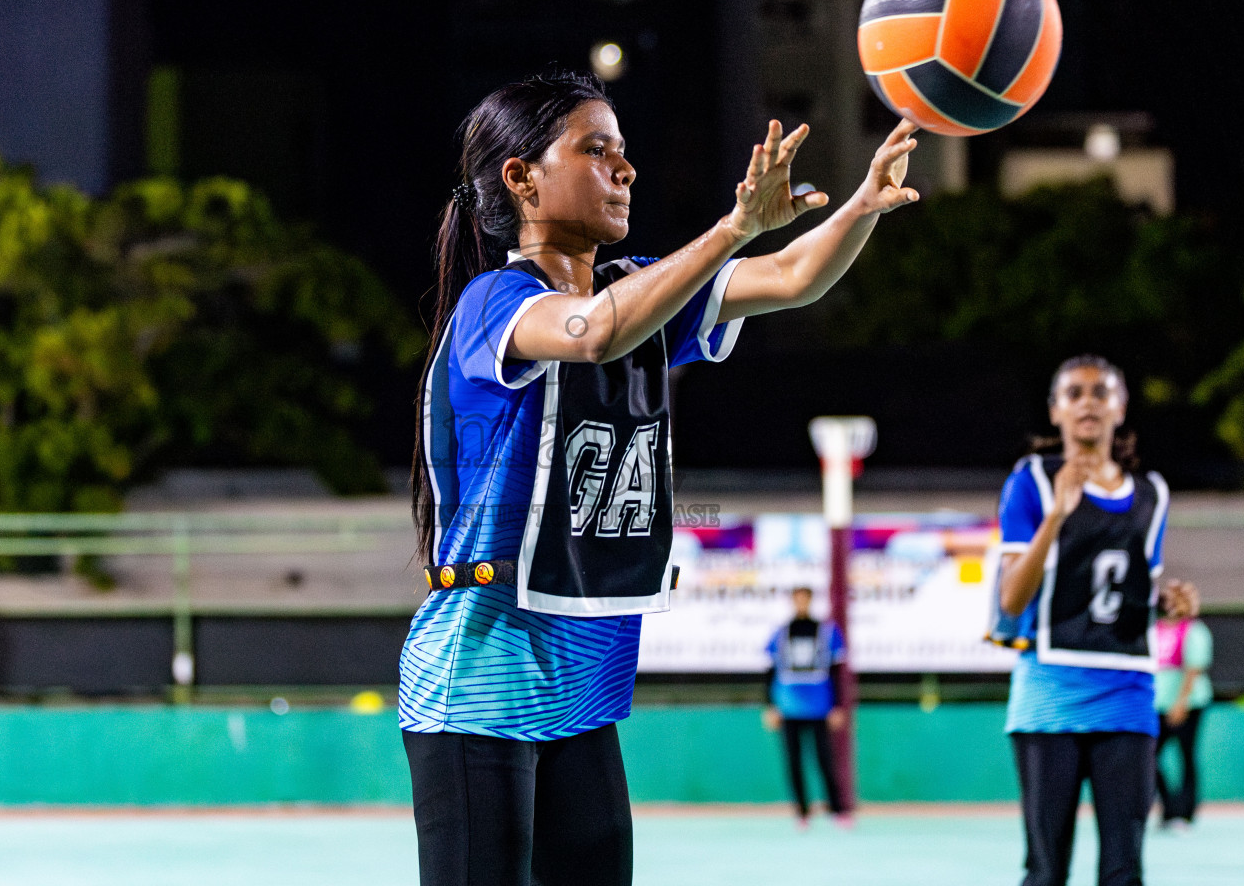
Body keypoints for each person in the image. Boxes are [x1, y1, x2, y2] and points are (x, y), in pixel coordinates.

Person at [399, 70, 919, 886]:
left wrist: (860, 206)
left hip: (579, 681)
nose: (625, 168)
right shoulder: (496, 303)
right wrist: (732, 228)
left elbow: (790, 279)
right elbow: (595, 333)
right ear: (521, 177)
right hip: (480, 673)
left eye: (625, 150)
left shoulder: (632, 290)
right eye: (595, 149)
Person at [990, 355, 1170, 886]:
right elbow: (1011, 598)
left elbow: (1131, 588)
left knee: (1124, 869)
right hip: (1050, 694)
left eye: (1100, 391)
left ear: (1120, 407)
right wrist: (1055, 516)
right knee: (1046, 871)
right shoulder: (1031, 482)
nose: (1088, 401)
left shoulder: (1152, 494)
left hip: (1128, 694)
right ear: (1055, 411)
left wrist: (1168, 595)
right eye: (1074, 393)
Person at [762, 586, 848, 828]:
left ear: (810, 601)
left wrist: (837, 705)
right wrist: (770, 705)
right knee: (793, 762)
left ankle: (837, 810)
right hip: (788, 707)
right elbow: (769, 671)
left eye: (805, 599)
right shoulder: (780, 633)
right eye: (796, 599)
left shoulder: (826, 631)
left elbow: (836, 671)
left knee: (824, 760)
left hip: (819, 706)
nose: (801, 603)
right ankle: (802, 812)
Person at [1153, 578, 1211, 830]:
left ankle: (1185, 812)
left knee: (1186, 756)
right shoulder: (1155, 629)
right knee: (1149, 756)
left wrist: (1181, 702)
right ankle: (1169, 807)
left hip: (1188, 702)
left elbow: (1193, 669)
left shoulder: (1194, 630)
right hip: (1157, 703)